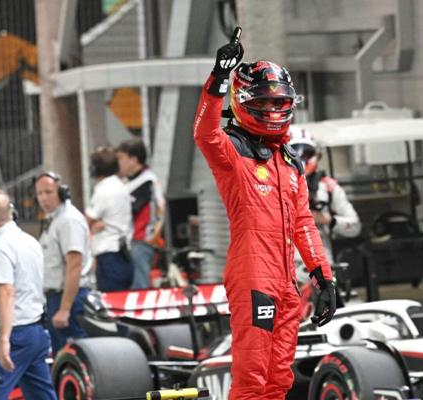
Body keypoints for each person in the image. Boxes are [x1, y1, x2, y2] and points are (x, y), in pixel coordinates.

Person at [192, 30, 336, 398]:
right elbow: (204, 134)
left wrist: (323, 278)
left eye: (280, 103)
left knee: (279, 380)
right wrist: (218, 80)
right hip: (252, 275)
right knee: (252, 378)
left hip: (287, 282)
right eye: (265, 103)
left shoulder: (289, 162)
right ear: (245, 102)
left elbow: (304, 223)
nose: (273, 111)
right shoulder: (232, 152)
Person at [0, 189, 56, 400]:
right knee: (43, 396)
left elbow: (7, 292)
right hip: (37, 332)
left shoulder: (0, 247)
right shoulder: (30, 241)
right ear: (13, 212)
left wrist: (4, 341)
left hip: (16, 335)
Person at [34, 171, 92, 355]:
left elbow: (74, 264)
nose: (44, 198)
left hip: (69, 299)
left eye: (48, 192)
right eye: (39, 193)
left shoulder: (68, 220)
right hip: (57, 298)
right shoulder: (55, 220)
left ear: (61, 192)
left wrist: (65, 309)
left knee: (74, 356)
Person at [288, 127, 361, 265]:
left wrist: (329, 220)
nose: (301, 157)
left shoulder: (328, 187)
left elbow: (355, 226)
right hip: (283, 265)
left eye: (307, 153)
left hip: (320, 263)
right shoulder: (271, 185)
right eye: (294, 152)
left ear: (317, 155)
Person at [116, 138, 166, 289]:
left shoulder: (147, 181)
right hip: (131, 244)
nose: (118, 163)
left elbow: (126, 210)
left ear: (133, 159)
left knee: (139, 289)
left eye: (121, 158)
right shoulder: (128, 181)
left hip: (141, 243)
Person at [85, 146, 134, 292]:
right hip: (125, 255)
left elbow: (86, 221)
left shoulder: (103, 189)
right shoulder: (121, 185)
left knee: (111, 306)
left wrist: (92, 228)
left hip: (109, 257)